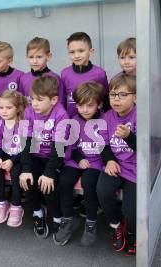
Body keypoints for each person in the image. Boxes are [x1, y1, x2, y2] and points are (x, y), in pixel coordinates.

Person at [54, 81, 106, 246]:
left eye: (89, 105)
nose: (84, 109)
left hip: (96, 162)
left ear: (99, 105)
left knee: (89, 183)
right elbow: (72, 144)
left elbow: (107, 147)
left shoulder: (104, 120)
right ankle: (67, 218)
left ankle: (91, 222)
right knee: (64, 181)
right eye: (80, 105)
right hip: (77, 160)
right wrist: (79, 159)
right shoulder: (74, 120)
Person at [19, 75, 69, 240]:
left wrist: (49, 173)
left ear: (54, 100)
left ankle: (57, 216)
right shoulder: (28, 112)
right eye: (32, 99)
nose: (34, 103)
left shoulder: (61, 115)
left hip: (55, 158)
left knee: (50, 186)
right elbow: (25, 142)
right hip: (35, 155)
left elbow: (58, 148)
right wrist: (25, 169)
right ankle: (37, 213)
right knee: (28, 181)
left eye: (40, 100)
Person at [97, 74, 137, 256]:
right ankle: (116, 224)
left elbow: (147, 148)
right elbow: (103, 144)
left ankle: (134, 234)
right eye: (113, 95)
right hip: (117, 165)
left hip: (136, 168)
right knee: (103, 191)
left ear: (135, 97)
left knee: (131, 209)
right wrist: (110, 160)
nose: (116, 99)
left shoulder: (140, 115)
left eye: (122, 95)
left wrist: (129, 136)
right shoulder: (107, 117)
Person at [0, 90, 28, 228]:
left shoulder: (23, 124)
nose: (4, 111)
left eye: (8, 107)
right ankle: (1, 202)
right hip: (5, 155)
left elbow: (26, 148)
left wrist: (13, 160)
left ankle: (17, 206)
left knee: (15, 173)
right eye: (1, 107)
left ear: (17, 108)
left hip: (19, 158)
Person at [60, 32, 109, 117]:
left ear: (91, 51)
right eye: (72, 52)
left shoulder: (99, 73)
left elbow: (105, 100)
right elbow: (62, 100)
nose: (76, 55)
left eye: (81, 51)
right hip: (71, 122)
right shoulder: (65, 73)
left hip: (94, 122)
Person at [18, 37, 65, 104]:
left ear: (48, 56)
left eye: (39, 57)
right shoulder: (23, 79)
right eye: (31, 57)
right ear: (26, 57)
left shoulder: (55, 78)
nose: (34, 61)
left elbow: (60, 103)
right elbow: (22, 104)